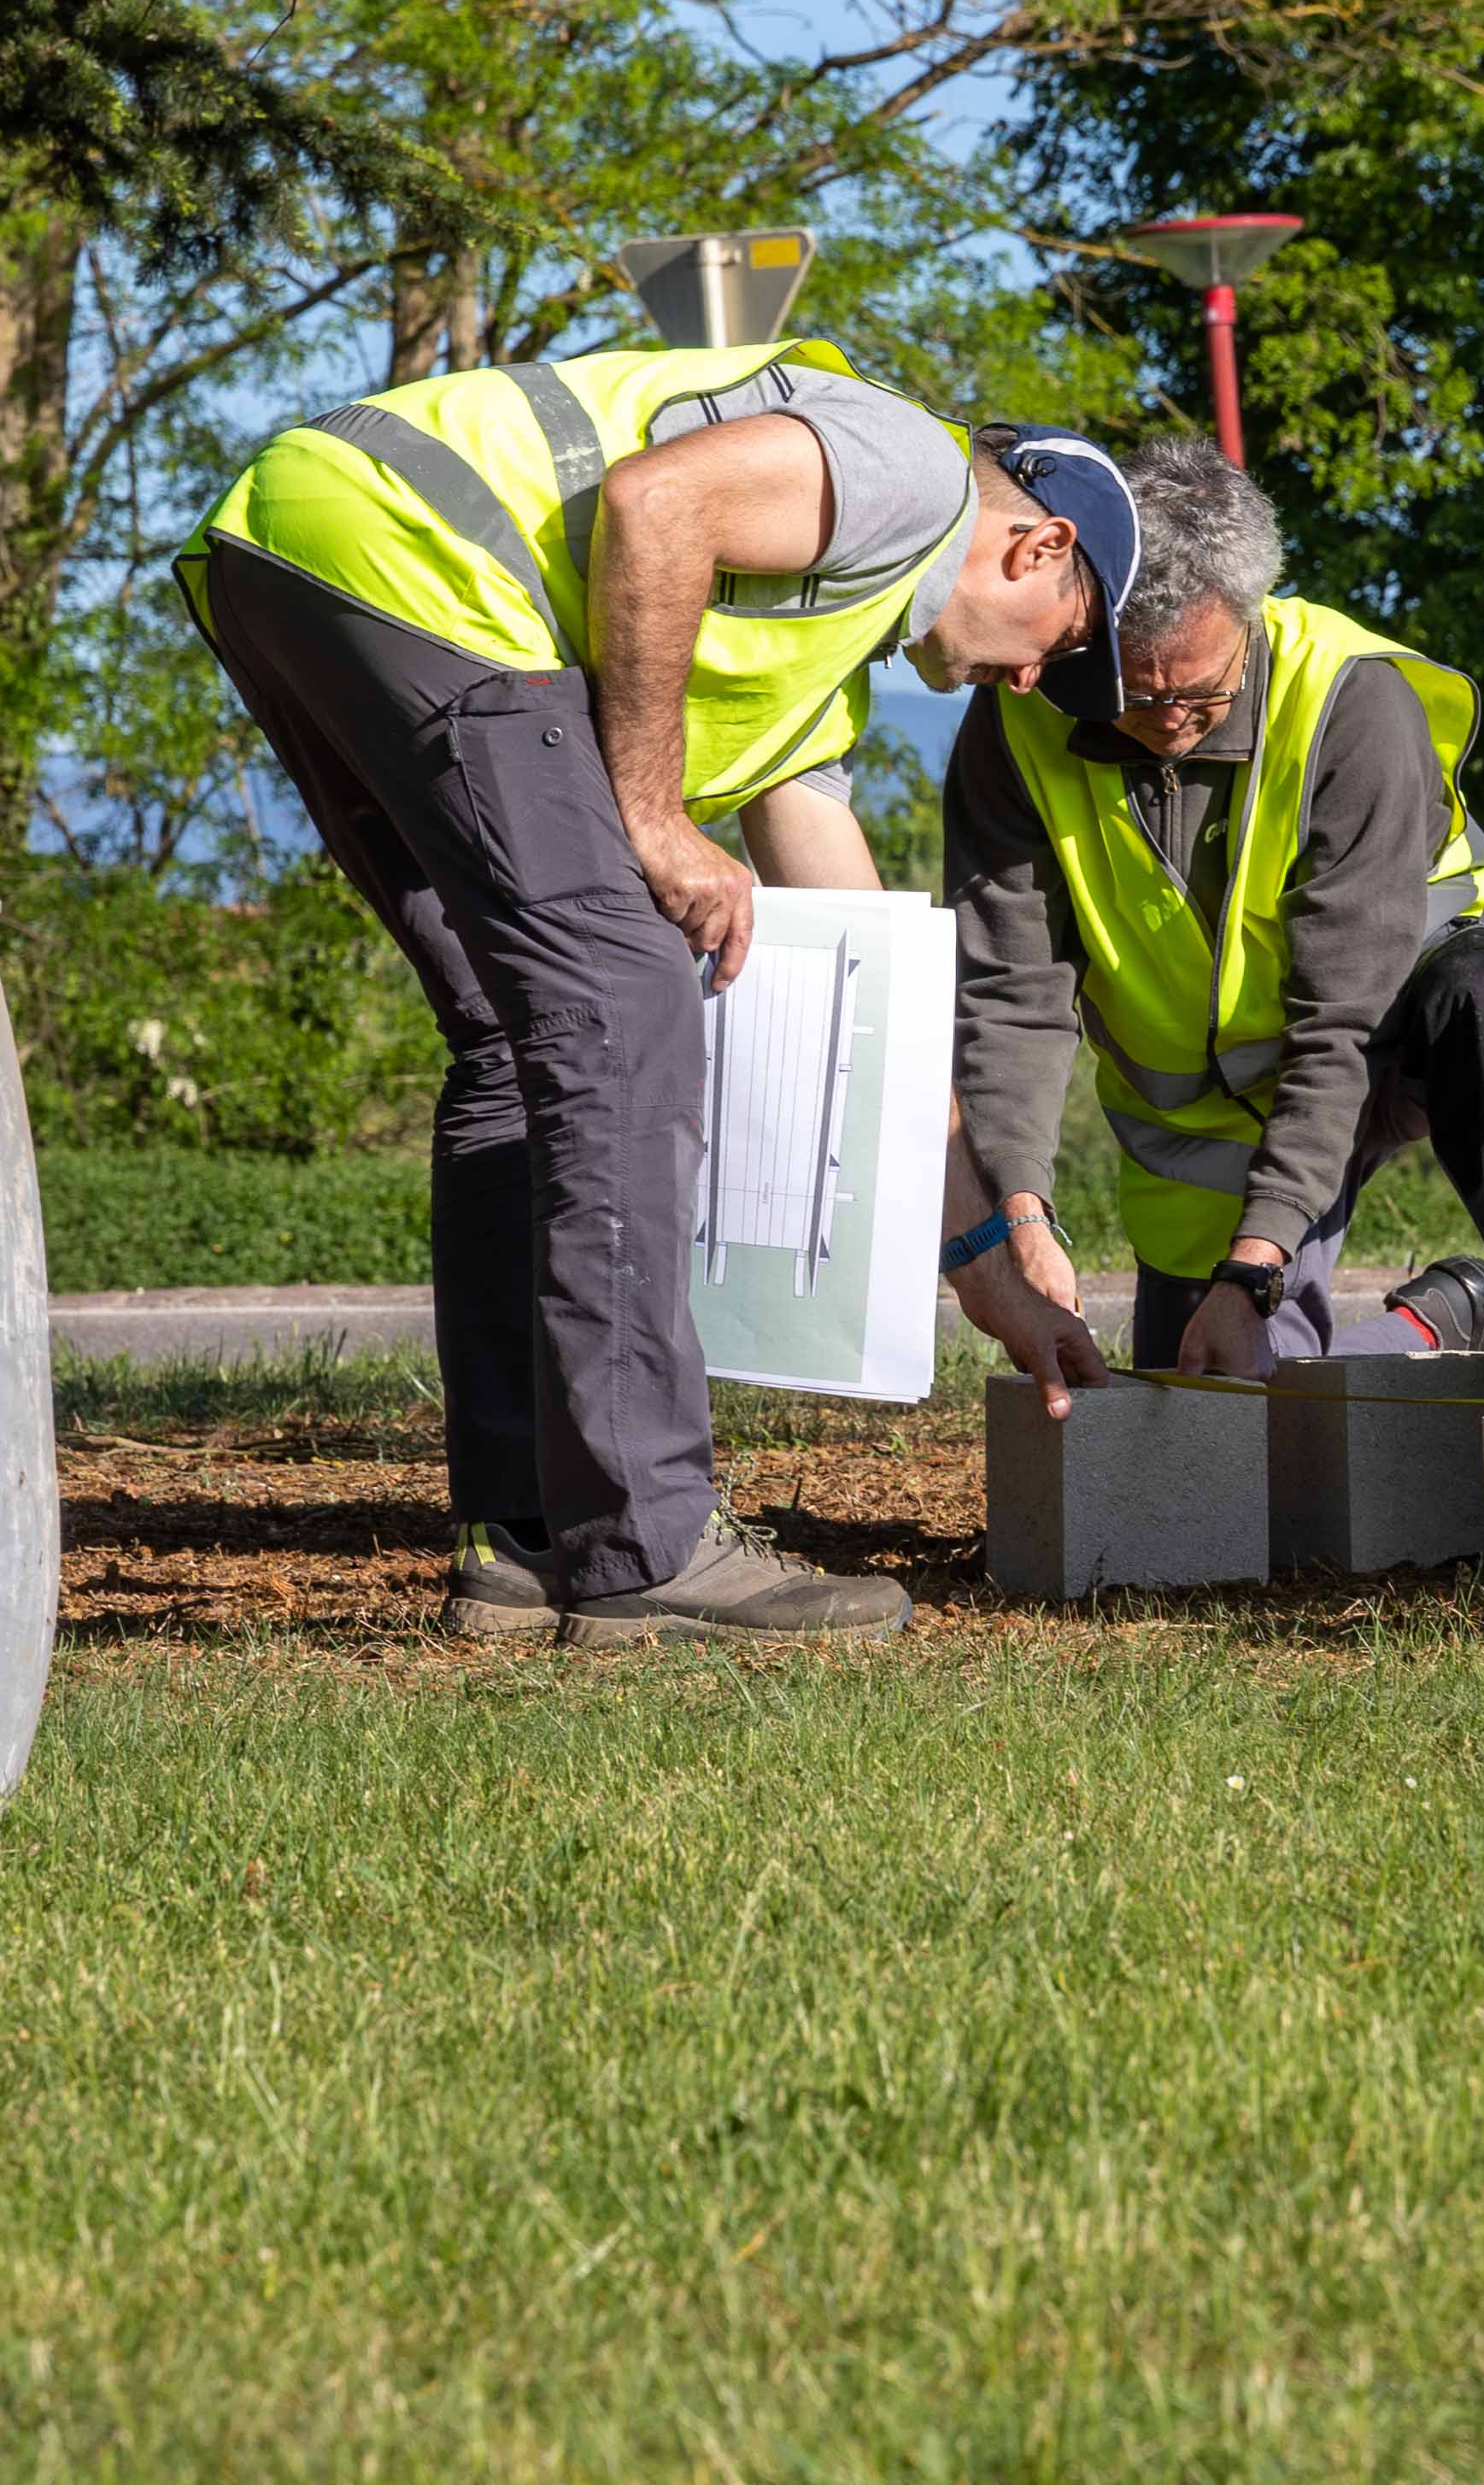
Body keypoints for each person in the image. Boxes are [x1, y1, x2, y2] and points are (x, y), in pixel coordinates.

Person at [175, 337, 1141, 1646]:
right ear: (1038, 549)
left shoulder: (817, 674)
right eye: (1063, 649)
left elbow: (874, 1009)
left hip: (295, 556)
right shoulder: (915, 471)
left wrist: (983, 1263)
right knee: (628, 1003)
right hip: (423, 560)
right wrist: (651, 816)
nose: (1032, 684)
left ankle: (527, 1540)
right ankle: (648, 1541)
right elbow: (657, 501)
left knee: (524, 1045)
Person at [940, 443, 1484, 1404]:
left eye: (1196, 691)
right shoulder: (1019, 718)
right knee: (1212, 1402)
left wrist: (1254, 1265)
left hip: (1399, 1015)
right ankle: (1421, 1325)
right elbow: (1009, 994)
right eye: (1132, 691)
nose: (1164, 719)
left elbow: (1338, 1028)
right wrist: (1018, 1216)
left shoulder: (1353, 704)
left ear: (1247, 619)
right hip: (1230, 1097)